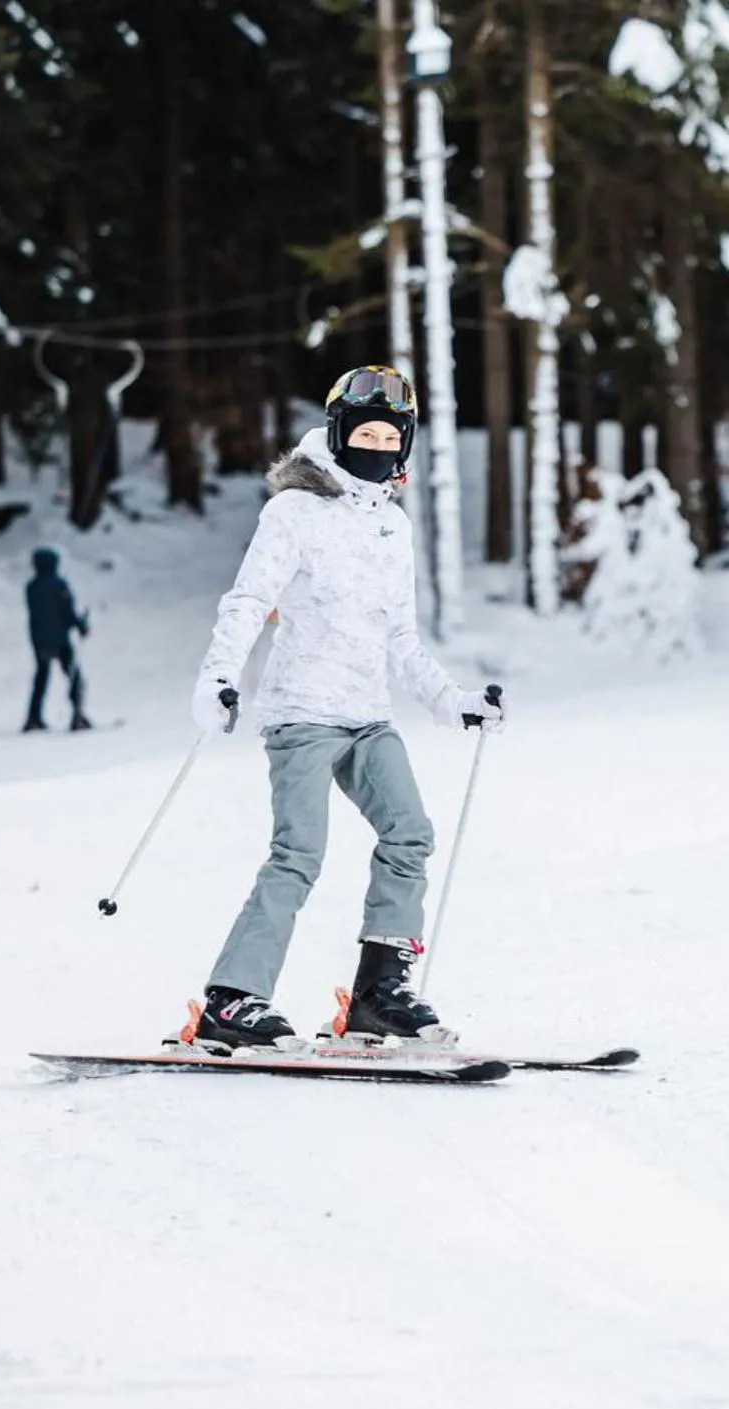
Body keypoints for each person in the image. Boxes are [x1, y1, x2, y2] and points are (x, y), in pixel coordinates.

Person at [188, 365, 505, 1049]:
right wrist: (217, 677)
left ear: (406, 447)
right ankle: (231, 1001)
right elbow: (247, 601)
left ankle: (378, 994)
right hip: (302, 709)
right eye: (363, 433)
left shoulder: (392, 529)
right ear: (336, 435)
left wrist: (454, 703)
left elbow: (400, 639)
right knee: (299, 850)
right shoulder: (294, 513)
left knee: (410, 830)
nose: (376, 447)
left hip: (367, 715)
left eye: (390, 438)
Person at [23, 547, 91, 731]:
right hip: (60, 640)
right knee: (74, 677)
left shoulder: (31, 587)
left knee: (41, 678)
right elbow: (66, 612)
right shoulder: (59, 585)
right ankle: (77, 715)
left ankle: (33, 717)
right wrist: (81, 624)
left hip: (39, 641)